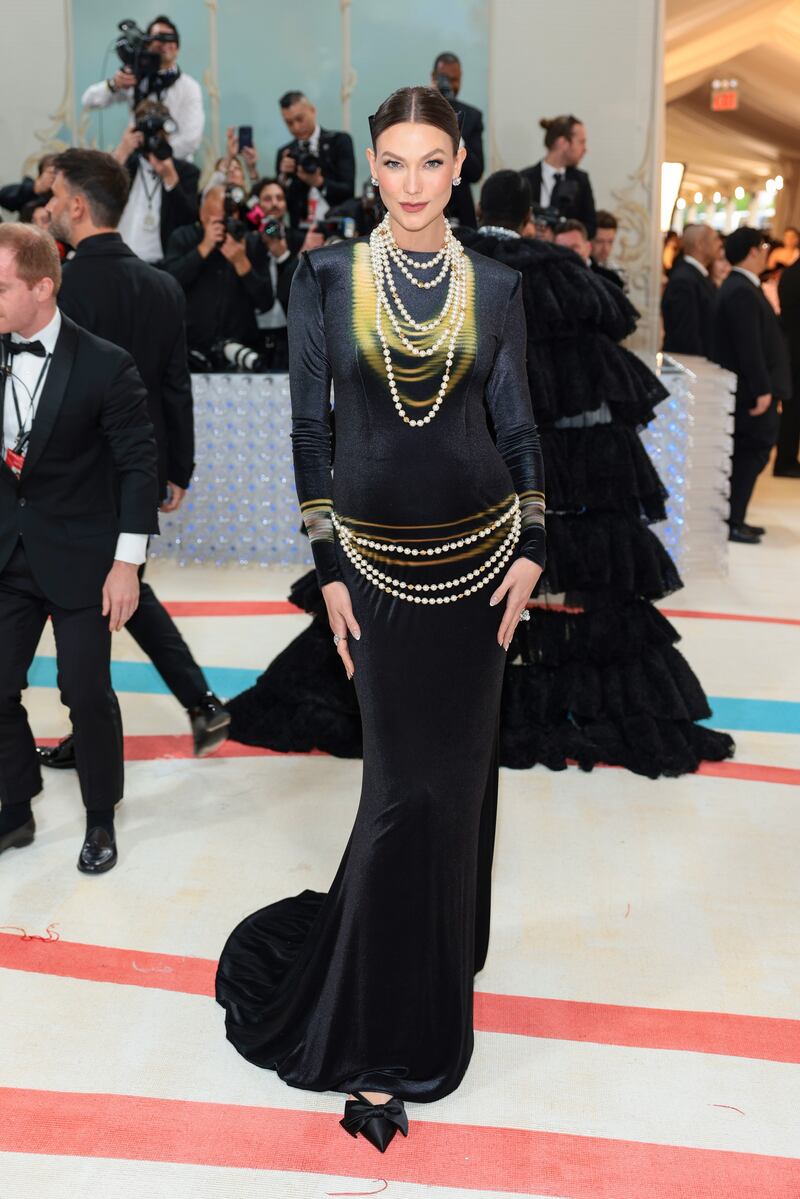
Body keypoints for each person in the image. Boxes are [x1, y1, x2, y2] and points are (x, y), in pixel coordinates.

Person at [216, 86, 546, 1152]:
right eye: (395, 162)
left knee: (456, 787)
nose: (412, 183)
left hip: (482, 565)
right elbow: (309, 435)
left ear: (460, 167)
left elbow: (518, 428)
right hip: (373, 570)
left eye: (431, 162)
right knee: (403, 789)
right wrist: (326, 568)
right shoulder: (323, 275)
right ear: (374, 169)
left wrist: (535, 544)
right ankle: (377, 1020)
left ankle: (435, 968)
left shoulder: (498, 285)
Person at [38, 149, 229, 772]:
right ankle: (198, 704)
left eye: (54, 195)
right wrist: (179, 468)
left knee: (86, 603)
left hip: (74, 473)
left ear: (77, 205)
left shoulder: (62, 288)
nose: (47, 206)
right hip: (139, 471)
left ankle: (112, 727)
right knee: (120, 594)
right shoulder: (163, 285)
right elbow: (176, 387)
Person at [0, 224, 159, 871]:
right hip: (8, 555)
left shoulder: (105, 364)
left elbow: (138, 467)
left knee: (86, 693)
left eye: (0, 286)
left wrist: (126, 564)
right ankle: (16, 806)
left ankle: (100, 818)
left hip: (84, 558)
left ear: (42, 287)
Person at [714, 227, 793, 539]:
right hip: (751, 391)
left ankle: (736, 517)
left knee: (751, 453)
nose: (766, 253)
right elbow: (749, 347)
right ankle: (733, 520)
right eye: (762, 247)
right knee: (752, 452)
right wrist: (762, 390)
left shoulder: (742, 286)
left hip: (752, 389)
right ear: (752, 251)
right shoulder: (741, 290)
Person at [163, 185, 274, 361]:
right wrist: (203, 249)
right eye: (219, 220)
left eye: (231, 216)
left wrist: (241, 263)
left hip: (241, 350)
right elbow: (169, 286)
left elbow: (266, 302)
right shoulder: (183, 237)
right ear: (202, 215)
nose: (225, 225)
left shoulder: (251, 242)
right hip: (191, 350)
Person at [81, 14, 204, 161]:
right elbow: (88, 101)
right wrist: (114, 84)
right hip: (136, 162)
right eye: (158, 38)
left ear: (177, 48)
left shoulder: (189, 87)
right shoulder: (137, 79)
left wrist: (157, 156)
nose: (164, 44)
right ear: (147, 44)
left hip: (174, 164)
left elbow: (191, 139)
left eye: (170, 39)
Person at [113, 97, 199, 264]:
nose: (154, 139)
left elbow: (189, 221)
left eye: (161, 134)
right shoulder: (124, 165)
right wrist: (121, 153)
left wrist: (170, 179)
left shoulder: (186, 172)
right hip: (119, 260)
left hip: (161, 266)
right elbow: (97, 200)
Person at [275, 91, 355, 229]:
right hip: (300, 232)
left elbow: (348, 192)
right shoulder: (286, 154)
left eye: (300, 119)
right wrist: (283, 178)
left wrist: (319, 182)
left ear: (312, 111)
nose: (296, 127)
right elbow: (282, 204)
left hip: (336, 227)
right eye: (289, 123)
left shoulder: (338, 142)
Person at [431, 51, 483, 228]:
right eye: (444, 78)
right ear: (433, 78)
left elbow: (476, 172)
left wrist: (456, 136)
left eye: (455, 80)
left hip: (461, 212)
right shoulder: (418, 112)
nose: (450, 86)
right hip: (425, 204)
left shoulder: (472, 116)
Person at [521, 114, 596, 238]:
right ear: (563, 143)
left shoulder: (581, 181)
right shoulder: (524, 179)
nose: (585, 149)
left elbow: (590, 227)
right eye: (581, 142)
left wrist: (558, 235)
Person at [661, 224, 720, 358]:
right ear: (700, 244)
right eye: (715, 239)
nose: (720, 244)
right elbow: (686, 335)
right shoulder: (684, 280)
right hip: (691, 363)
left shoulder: (696, 276)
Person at [776, 256, 800, 476]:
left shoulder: (790, 273)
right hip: (795, 350)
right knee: (793, 409)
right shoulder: (795, 275)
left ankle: (787, 459)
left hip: (790, 348)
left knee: (792, 409)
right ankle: (786, 460)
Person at [590, 210, 626, 289]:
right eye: (599, 241)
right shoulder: (578, 270)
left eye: (610, 242)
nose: (605, 248)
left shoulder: (618, 272)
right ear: (589, 240)